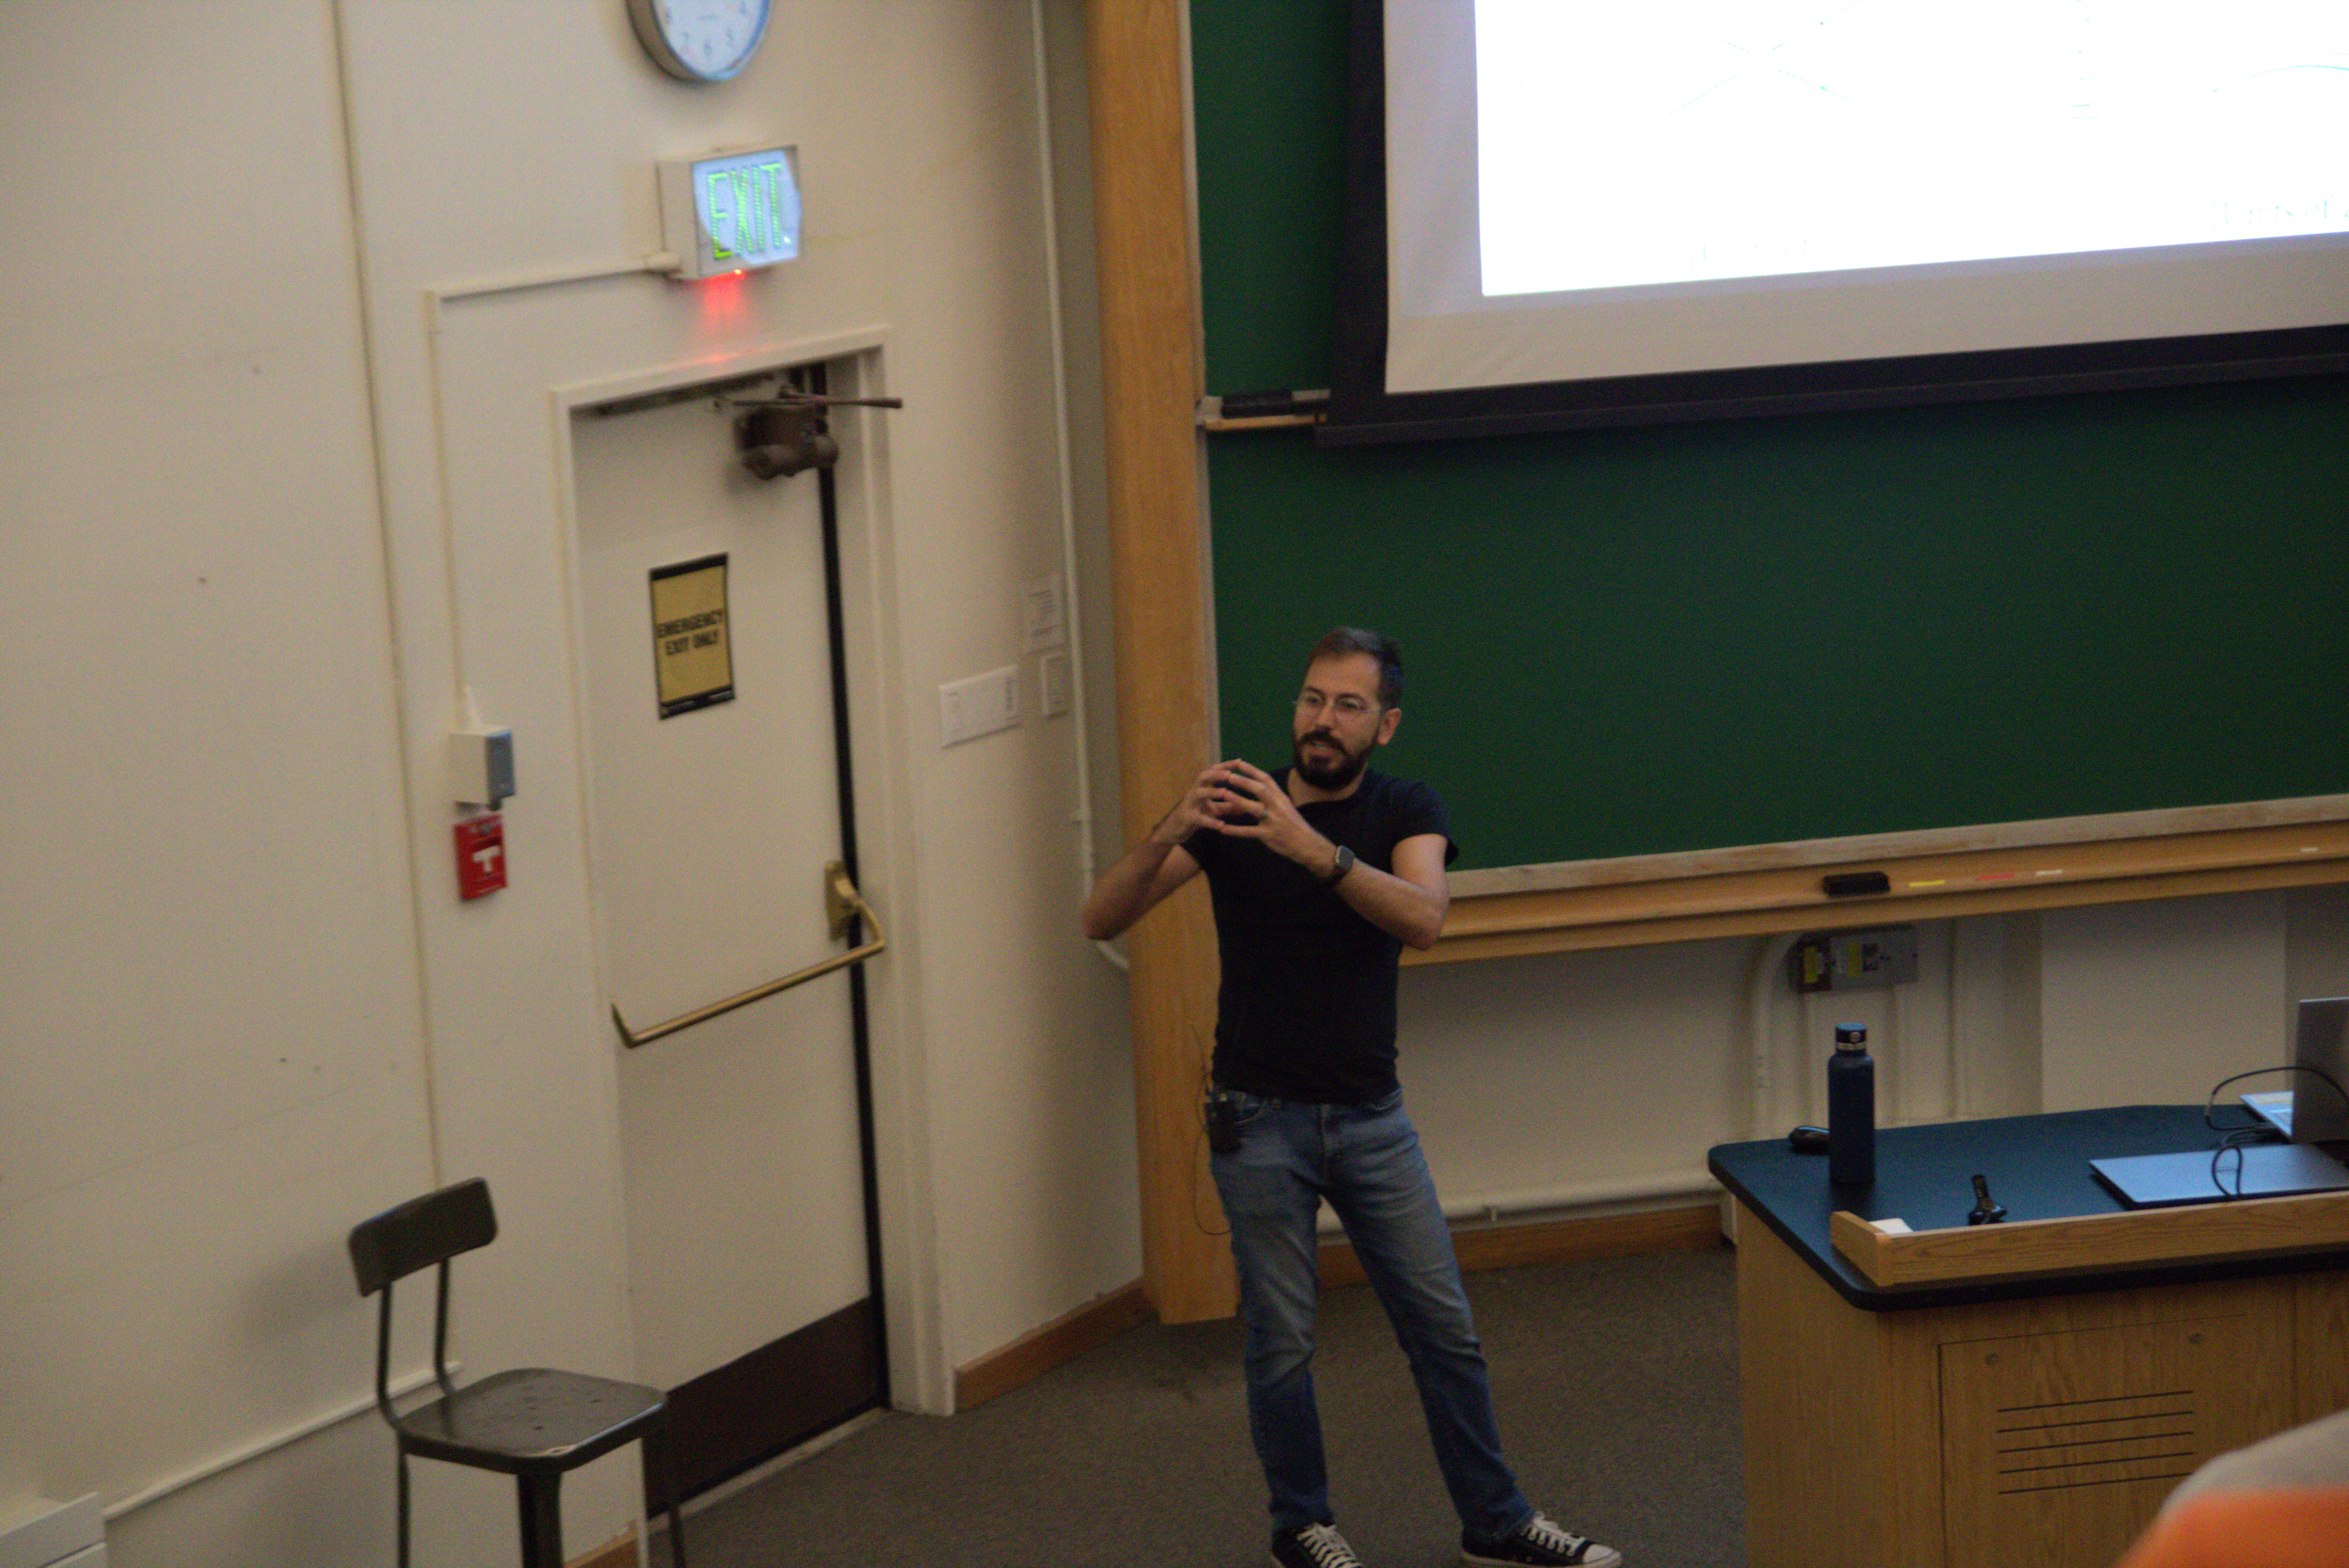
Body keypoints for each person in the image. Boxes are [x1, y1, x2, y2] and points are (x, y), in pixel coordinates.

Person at [1082, 628, 1622, 1568]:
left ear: (1387, 725)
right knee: (1281, 1342)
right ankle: (1303, 1525)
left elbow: (1425, 918)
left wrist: (1314, 850)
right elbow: (1103, 915)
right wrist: (1173, 827)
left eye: (1347, 706)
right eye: (1311, 699)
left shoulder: (1405, 807)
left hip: (1372, 1119)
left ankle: (1495, 1522)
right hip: (1256, 1121)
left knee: (1444, 1331)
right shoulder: (1237, 812)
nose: (1321, 721)